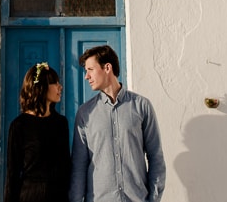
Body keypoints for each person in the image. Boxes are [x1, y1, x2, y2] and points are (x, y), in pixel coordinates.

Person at [69, 45, 165, 202]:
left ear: (107, 67)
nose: (86, 76)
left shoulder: (142, 106)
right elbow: (79, 165)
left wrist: (153, 199)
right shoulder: (85, 113)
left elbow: (156, 156)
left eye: (90, 69)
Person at [4, 62, 71, 202]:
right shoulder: (19, 125)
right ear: (40, 87)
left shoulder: (60, 123)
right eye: (54, 83)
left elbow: (66, 167)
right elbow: (13, 173)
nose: (60, 87)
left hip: (58, 196)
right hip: (30, 196)